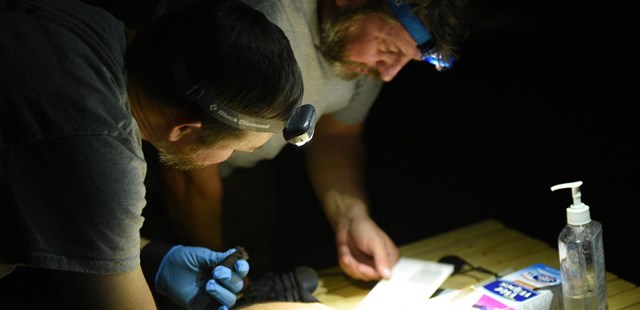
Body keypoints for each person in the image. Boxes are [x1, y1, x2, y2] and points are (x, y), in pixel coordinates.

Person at [0, 0, 366, 310]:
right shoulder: (102, 150)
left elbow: (51, 192)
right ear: (185, 129)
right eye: (236, 151)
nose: (231, 158)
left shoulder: (87, 26)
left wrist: (151, 255)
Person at [135, 0, 473, 282]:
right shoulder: (268, 19)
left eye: (405, 60)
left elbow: (338, 136)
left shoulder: (365, 57)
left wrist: (352, 216)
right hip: (165, 170)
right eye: (388, 49)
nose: (388, 73)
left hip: (243, 176)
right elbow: (187, 155)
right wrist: (216, 264)